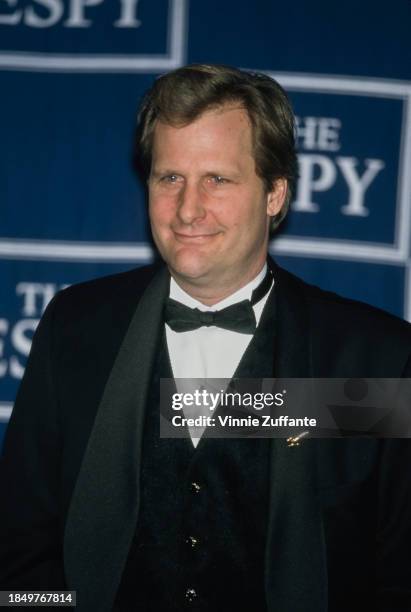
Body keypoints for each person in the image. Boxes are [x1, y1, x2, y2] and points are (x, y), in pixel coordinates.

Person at [1, 64, 411, 612]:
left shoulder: (376, 358)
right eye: (170, 177)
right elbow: (21, 551)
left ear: (275, 195)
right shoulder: (75, 328)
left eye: (217, 179)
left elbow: (397, 576)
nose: (188, 209)